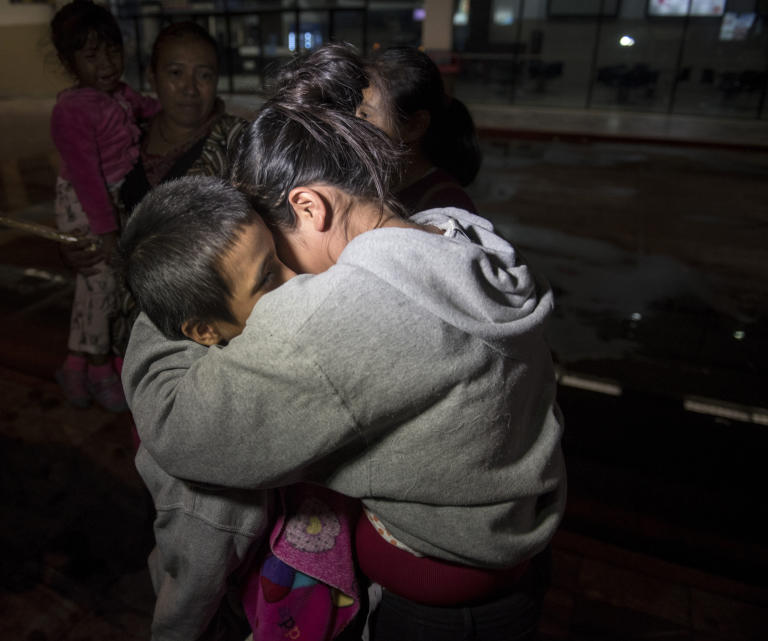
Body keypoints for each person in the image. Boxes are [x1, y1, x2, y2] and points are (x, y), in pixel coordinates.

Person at [121, 73, 566, 640]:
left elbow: (180, 429)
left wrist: (170, 276)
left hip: (440, 616)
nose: (288, 285)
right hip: (511, 572)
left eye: (276, 254)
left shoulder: (329, 316)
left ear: (309, 205)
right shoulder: (450, 234)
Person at [118, 175, 364, 641]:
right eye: (268, 277)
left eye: (279, 255)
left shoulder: (231, 324)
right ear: (204, 331)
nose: (300, 281)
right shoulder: (204, 449)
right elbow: (189, 587)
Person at [61, 20, 245, 362]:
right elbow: (89, 202)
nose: (190, 88)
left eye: (204, 75)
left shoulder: (239, 143)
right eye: (176, 73)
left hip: (200, 338)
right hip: (127, 328)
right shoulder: (125, 135)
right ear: (152, 77)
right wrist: (76, 245)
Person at [49, 0, 161, 412]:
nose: (107, 64)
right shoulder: (71, 110)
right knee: (103, 284)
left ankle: (74, 364)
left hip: (107, 198)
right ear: (69, 61)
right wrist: (106, 229)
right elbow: (86, 177)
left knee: (91, 286)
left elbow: (148, 107)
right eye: (91, 55)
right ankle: (99, 368)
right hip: (86, 201)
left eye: (113, 51)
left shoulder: (119, 94)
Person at [357, 46, 482, 213]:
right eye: (354, 110)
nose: (352, 123)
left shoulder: (446, 207)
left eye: (365, 115)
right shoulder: (381, 183)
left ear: (414, 126)